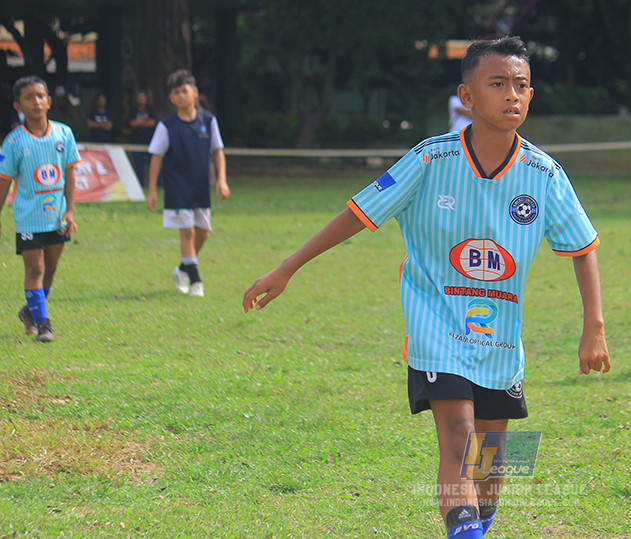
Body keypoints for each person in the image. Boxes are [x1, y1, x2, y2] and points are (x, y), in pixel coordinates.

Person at [243, 36, 611, 539]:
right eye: (498, 83)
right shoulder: (430, 159)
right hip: (435, 323)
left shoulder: (544, 173)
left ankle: (477, 525)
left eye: (521, 84)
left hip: (500, 336)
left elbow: (583, 246)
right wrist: (288, 267)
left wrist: (594, 326)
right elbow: (359, 213)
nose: (512, 94)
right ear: (467, 96)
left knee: (491, 463)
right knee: (458, 436)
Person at [0, 76, 82, 343]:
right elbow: (4, 180)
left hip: (57, 216)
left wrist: (70, 210)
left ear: (49, 101)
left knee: (50, 269)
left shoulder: (64, 134)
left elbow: (70, 173)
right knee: (35, 268)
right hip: (28, 218)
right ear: (18, 106)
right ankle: (44, 325)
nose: (36, 102)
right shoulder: (14, 142)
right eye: (28, 97)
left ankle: (29, 311)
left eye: (40, 96)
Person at [146, 69, 229, 298]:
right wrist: (152, 191)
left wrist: (221, 180)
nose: (181, 96)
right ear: (171, 98)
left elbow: (218, 151)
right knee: (188, 233)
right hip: (176, 187)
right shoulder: (167, 126)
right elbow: (156, 157)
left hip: (200, 186)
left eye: (185, 91)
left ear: (195, 93)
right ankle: (196, 281)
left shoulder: (209, 121)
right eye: (176, 93)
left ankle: (182, 269)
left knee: (203, 234)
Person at [128, 90, 158, 186]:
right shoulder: (133, 111)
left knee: (153, 162)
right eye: (139, 98)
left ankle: (158, 182)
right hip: (136, 141)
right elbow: (132, 124)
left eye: (143, 98)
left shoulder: (150, 111)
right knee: (138, 164)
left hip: (150, 142)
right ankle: (141, 183)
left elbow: (152, 123)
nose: (141, 100)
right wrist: (145, 122)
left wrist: (139, 123)